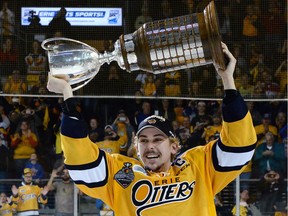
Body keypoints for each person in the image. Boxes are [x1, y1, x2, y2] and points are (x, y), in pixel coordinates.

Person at [47, 42, 257, 215]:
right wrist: (67, 95)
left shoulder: (197, 167)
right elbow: (82, 162)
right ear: (136, 148)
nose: (150, 146)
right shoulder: (123, 173)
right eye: (144, 140)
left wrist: (227, 80)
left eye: (158, 139)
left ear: (174, 147)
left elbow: (239, 147)